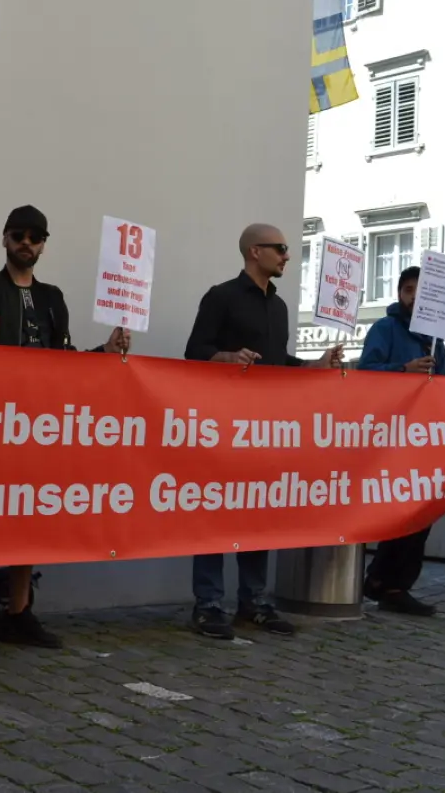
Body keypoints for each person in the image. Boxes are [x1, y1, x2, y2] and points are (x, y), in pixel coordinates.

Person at [0, 205, 131, 655]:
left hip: (40, 424)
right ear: (5, 238)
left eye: (35, 237)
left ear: (43, 245)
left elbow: (62, 360)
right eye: (19, 235)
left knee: (29, 517)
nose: (26, 243)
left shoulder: (53, 297)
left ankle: (19, 611)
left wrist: (103, 351)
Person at [183, 223, 344, 639]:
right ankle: (208, 604)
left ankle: (253, 602)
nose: (287, 255)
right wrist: (226, 358)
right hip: (224, 426)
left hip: (268, 428)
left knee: (258, 513)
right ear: (255, 251)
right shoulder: (221, 296)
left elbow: (277, 363)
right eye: (281, 248)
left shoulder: (280, 306)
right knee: (216, 512)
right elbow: (194, 352)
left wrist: (314, 366)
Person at [358, 265, 445, 617]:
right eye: (409, 290)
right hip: (390, 434)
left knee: (420, 512)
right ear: (400, 294)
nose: (414, 297)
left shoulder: (436, 339)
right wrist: (403, 370)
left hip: (423, 436)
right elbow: (366, 372)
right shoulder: (385, 328)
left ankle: (385, 581)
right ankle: (389, 583)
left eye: (421, 290)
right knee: (400, 510)